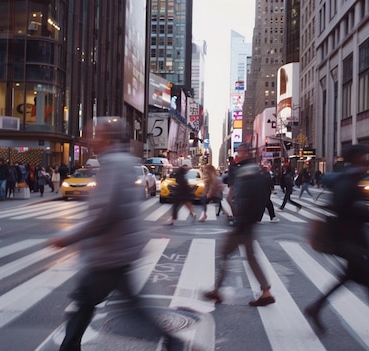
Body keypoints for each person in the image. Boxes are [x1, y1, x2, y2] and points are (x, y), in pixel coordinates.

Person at [47, 117, 184, 351]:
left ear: (109, 138)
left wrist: (67, 237)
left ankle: (173, 343)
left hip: (109, 253)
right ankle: (173, 343)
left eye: (96, 134)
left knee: (86, 304)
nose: (91, 139)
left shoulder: (113, 165)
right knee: (122, 307)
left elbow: (102, 216)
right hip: (117, 251)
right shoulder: (120, 162)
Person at [304, 144, 369, 338]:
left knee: (356, 279)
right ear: (355, 158)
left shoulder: (349, 177)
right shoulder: (347, 180)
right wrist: (366, 213)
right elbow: (344, 208)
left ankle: (317, 308)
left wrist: (366, 212)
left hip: (354, 240)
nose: (365, 158)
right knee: (368, 280)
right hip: (352, 241)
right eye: (363, 155)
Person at [204, 145, 276, 307]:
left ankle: (217, 291)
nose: (237, 155)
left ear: (244, 154)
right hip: (248, 221)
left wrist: (239, 217)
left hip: (243, 222)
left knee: (224, 253)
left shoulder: (244, 173)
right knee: (250, 256)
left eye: (239, 153)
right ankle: (266, 292)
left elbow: (239, 194)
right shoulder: (256, 172)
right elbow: (261, 196)